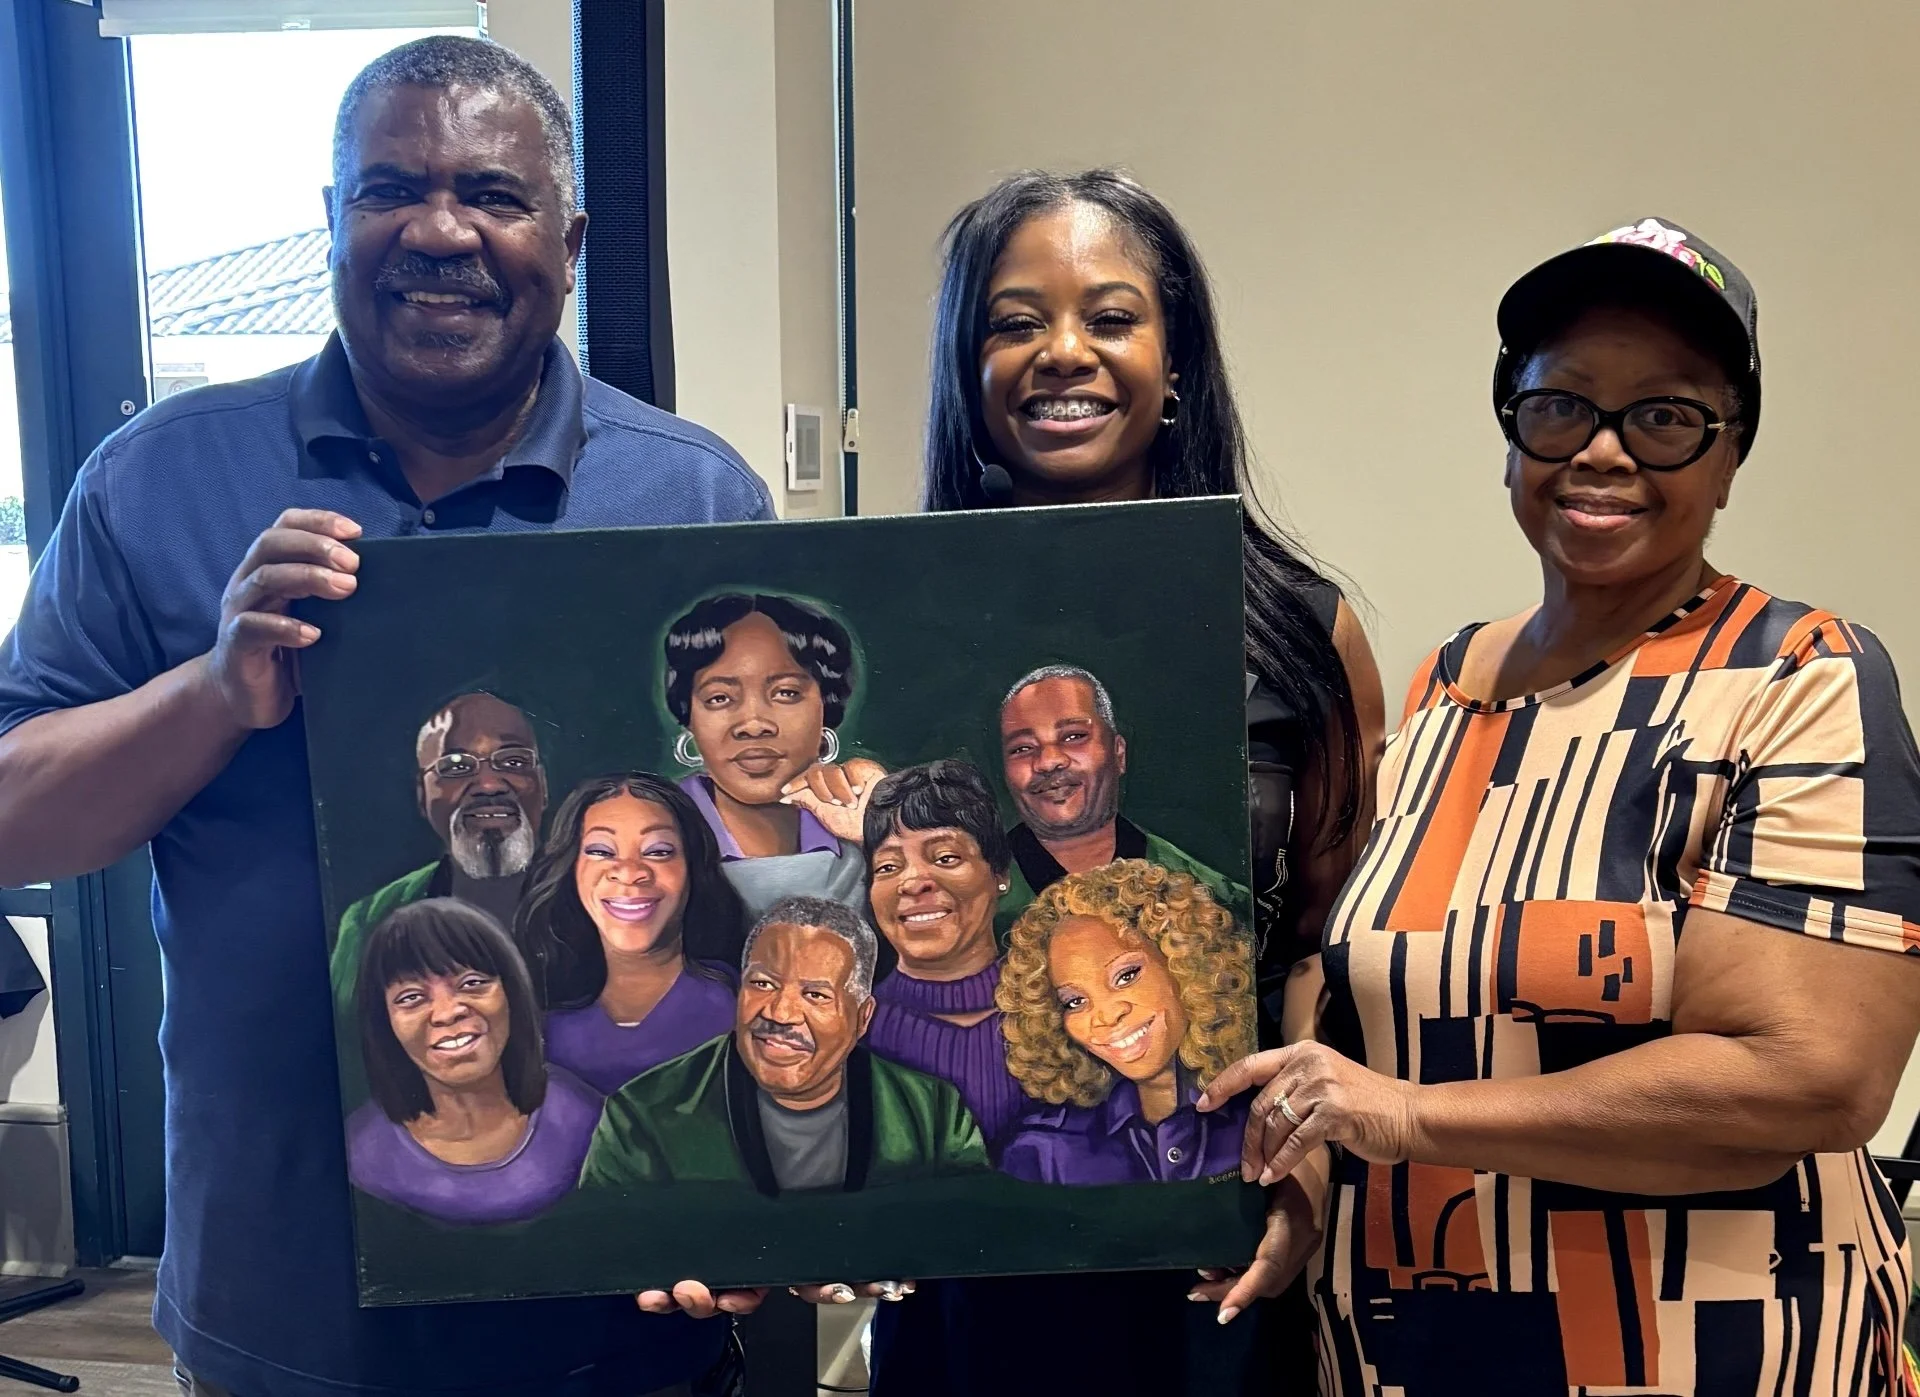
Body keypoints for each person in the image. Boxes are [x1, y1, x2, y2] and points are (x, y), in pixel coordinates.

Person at [0, 35, 777, 1397]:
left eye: (493, 194)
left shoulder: (693, 499)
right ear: (332, 221)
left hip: (620, 1303)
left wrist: (770, 1192)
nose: (439, 230)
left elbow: (755, 868)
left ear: (569, 243)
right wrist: (211, 693)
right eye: (390, 190)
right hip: (288, 1301)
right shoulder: (158, 480)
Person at [1199, 218, 1920, 1395]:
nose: (1603, 449)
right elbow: (1348, 1002)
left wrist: (1412, 1117)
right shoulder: (1446, 688)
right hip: (1409, 1345)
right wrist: (1302, 1178)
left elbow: (1812, 1076)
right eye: (1562, 404)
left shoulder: (1797, 676)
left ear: (1730, 456)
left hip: (1706, 1351)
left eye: (1665, 415)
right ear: (1511, 435)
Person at [868, 170, 1386, 1396]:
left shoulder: (1302, 632)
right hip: (969, 1259)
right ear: (966, 367)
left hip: (1213, 1246)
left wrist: (1305, 1168)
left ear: (1177, 360)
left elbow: (1332, 943)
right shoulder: (898, 630)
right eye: (1014, 321)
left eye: (1109, 317)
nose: (1063, 352)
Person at [581, 895, 989, 1193]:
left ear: (862, 1017)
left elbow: (967, 1241)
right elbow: (610, 1251)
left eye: (816, 995)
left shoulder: (935, 1115)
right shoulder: (641, 1115)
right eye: (762, 984)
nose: (780, 1013)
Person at [996, 860, 1253, 1183]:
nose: (1106, 1015)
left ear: (1185, 963)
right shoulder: (1043, 1152)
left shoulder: (1265, 1109)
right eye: (1074, 1002)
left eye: (1126, 976)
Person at [347, 897, 599, 1226]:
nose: (447, 1013)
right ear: (385, 1023)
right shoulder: (361, 1156)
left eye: (472, 983)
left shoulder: (584, 1120)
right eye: (412, 997)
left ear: (512, 993)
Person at [329, 690, 546, 1035]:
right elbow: (352, 1046)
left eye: (513, 762)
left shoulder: (604, 900)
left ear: (542, 785)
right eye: (456, 766)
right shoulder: (369, 922)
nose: (489, 785)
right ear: (423, 795)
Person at [515, 773, 746, 1095]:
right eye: (601, 851)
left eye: (658, 851)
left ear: (693, 868)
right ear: (571, 869)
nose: (629, 872)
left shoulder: (743, 1001)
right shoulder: (534, 1012)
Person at [662, 592, 884, 917]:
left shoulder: (862, 831)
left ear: (826, 707)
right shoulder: (654, 830)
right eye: (719, 698)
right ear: (690, 719)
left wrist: (884, 835)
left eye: (786, 693)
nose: (753, 725)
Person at [995, 663, 1246, 934]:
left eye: (1073, 736)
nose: (1048, 762)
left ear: (1119, 754)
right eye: (1022, 748)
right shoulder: (975, 902)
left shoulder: (1216, 901)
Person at [862, 759, 1025, 1152]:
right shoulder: (854, 1029)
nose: (912, 882)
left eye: (945, 857)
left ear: (1000, 873)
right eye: (888, 866)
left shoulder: (1068, 1010)